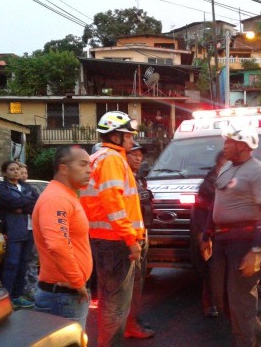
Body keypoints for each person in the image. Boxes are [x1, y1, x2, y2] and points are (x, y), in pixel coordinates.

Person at [201, 123, 261, 347]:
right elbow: (216, 202)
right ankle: (254, 330)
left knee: (240, 300)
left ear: (242, 145)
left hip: (244, 243)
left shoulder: (259, 172)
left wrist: (255, 250)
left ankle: (245, 340)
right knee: (221, 298)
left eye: (228, 141)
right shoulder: (226, 168)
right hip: (221, 241)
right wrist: (206, 234)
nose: (224, 145)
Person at [80, 111, 147, 346]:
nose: (131, 141)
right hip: (116, 241)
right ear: (117, 136)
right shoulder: (112, 160)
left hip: (104, 238)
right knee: (116, 304)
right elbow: (114, 203)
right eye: (128, 136)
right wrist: (131, 239)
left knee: (110, 301)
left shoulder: (97, 157)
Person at [32, 146, 93, 329]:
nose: (89, 170)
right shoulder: (57, 199)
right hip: (64, 296)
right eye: (83, 164)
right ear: (64, 168)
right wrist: (77, 282)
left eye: (90, 165)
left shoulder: (67, 196)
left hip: (67, 293)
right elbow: (58, 245)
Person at [0, 160, 38, 308]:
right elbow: (11, 203)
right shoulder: (1, 188)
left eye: (17, 169)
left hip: (29, 230)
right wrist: (24, 204)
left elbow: (36, 202)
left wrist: (21, 207)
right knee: (11, 264)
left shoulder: (26, 186)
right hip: (12, 230)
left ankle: (17, 295)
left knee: (23, 264)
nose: (16, 172)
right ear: (4, 173)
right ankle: (7, 296)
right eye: (12, 169)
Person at [123, 142, 155, 339]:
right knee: (132, 284)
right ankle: (129, 323)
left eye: (139, 154)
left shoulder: (138, 179)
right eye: (133, 154)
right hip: (130, 238)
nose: (138, 157)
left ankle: (133, 319)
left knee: (138, 282)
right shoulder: (124, 178)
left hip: (142, 233)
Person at [192, 151, 226, 318]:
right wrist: (203, 236)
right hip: (211, 235)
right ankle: (210, 304)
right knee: (210, 271)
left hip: (225, 234)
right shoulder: (208, 187)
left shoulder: (229, 181)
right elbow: (200, 214)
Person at [18, 162, 40, 302]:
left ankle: (32, 288)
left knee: (31, 260)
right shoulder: (6, 188)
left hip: (32, 229)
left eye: (25, 172)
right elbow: (16, 202)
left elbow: (36, 203)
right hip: (18, 231)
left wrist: (25, 206)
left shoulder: (30, 188)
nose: (23, 175)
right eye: (21, 172)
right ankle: (23, 289)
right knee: (21, 262)